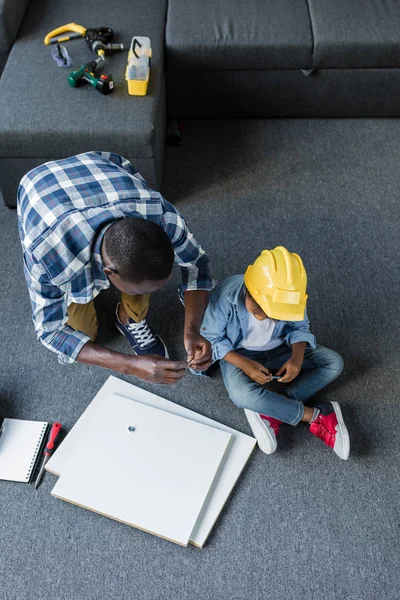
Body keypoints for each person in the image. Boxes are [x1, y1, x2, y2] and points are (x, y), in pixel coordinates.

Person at [17, 151, 214, 384]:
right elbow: (50, 332)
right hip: (39, 191)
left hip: (102, 166)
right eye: (140, 291)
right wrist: (129, 366)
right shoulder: (48, 253)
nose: (152, 294)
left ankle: (128, 317)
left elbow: (197, 265)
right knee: (84, 334)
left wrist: (192, 329)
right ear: (109, 272)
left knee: (143, 276)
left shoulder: (160, 214)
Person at [198, 246, 350, 459]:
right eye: (257, 310)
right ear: (248, 290)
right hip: (239, 353)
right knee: (241, 395)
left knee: (334, 363)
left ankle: (271, 408)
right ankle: (316, 415)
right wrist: (244, 364)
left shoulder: (291, 296)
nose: (263, 319)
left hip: (281, 350)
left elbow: (300, 328)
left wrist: (296, 357)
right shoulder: (226, 295)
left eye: (274, 316)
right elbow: (211, 339)